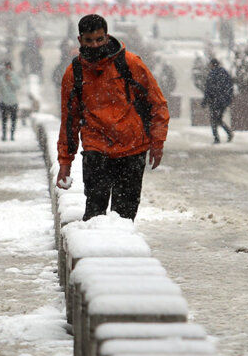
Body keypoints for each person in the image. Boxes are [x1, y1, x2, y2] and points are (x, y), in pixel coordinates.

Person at [56, 13, 169, 220]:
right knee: (94, 215)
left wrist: (158, 142)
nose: (95, 45)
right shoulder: (74, 74)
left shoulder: (130, 64)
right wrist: (65, 162)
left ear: (107, 37)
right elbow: (69, 121)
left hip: (132, 148)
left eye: (99, 39)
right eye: (89, 41)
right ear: (80, 40)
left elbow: (157, 103)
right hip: (96, 148)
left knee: (125, 217)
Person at [202, 57, 235, 144]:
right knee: (218, 119)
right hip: (223, 101)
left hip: (214, 101)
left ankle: (217, 138)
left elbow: (208, 89)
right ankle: (228, 133)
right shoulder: (224, 73)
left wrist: (205, 102)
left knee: (214, 120)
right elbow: (230, 86)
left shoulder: (211, 74)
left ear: (212, 65)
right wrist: (229, 99)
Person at [0, 61, 20, 141]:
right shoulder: (0, 78)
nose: (7, 69)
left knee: (13, 120)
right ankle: (4, 135)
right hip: (4, 101)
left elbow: (17, 87)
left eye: (9, 67)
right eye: (6, 67)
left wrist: (10, 81)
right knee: (4, 120)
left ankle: (12, 135)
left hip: (13, 101)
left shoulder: (15, 76)